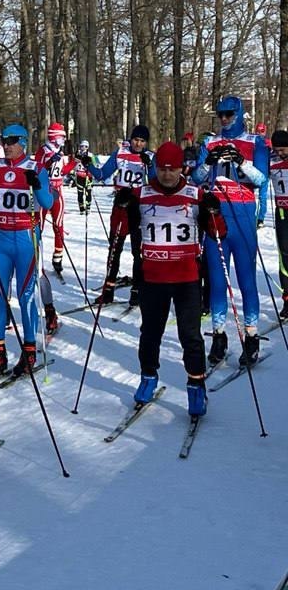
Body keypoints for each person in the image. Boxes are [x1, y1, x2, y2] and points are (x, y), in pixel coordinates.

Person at [121, 141, 225, 417]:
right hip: (152, 277)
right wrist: (122, 207)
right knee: (150, 332)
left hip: (186, 278)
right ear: (156, 168)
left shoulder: (196, 195)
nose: (167, 174)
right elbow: (120, 230)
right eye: (162, 169)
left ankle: (196, 386)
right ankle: (148, 377)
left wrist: (214, 211)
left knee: (190, 336)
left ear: (182, 168)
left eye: (173, 169)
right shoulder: (141, 194)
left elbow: (218, 233)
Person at [192, 96, 268, 367]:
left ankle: (251, 336)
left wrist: (241, 163)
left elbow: (261, 179)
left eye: (229, 114)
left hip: (243, 215)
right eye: (220, 114)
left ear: (240, 114)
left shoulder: (256, 142)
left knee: (246, 280)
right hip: (216, 215)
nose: (224, 119)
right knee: (217, 279)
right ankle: (219, 335)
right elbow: (196, 179)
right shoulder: (210, 142)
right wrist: (207, 163)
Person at [0, 123, 55, 378]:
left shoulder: (35, 168)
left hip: (25, 238)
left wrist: (38, 185)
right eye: (4, 141)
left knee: (26, 295)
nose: (7, 145)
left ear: (23, 142)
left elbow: (48, 203)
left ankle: (29, 350)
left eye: (12, 141)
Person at [87, 125, 153, 306]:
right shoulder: (120, 153)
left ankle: (137, 291)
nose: (138, 144)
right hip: (121, 206)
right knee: (114, 249)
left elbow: (156, 182)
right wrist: (88, 164)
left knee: (138, 252)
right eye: (135, 140)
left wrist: (150, 166)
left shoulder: (150, 157)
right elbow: (102, 174)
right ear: (130, 139)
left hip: (140, 207)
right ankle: (108, 291)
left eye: (142, 141)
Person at [34, 123, 72, 276]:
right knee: (39, 224)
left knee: (59, 224)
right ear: (54, 136)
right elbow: (37, 168)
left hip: (58, 190)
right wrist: (49, 162)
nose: (63, 139)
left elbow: (62, 172)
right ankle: (35, 257)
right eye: (61, 136)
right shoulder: (43, 150)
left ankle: (58, 258)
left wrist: (75, 163)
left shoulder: (60, 152)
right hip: (44, 190)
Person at [269, 129, 288, 318]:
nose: (280, 153)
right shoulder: (271, 161)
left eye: (283, 150)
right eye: (277, 150)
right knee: (285, 258)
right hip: (282, 213)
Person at [72, 140, 95, 214]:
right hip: (79, 176)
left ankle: (88, 207)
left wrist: (90, 165)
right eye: (82, 146)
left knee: (88, 192)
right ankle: (81, 208)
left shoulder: (91, 155)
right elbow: (72, 165)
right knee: (80, 193)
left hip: (88, 176)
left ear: (87, 147)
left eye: (85, 146)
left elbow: (95, 165)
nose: (83, 148)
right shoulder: (77, 154)